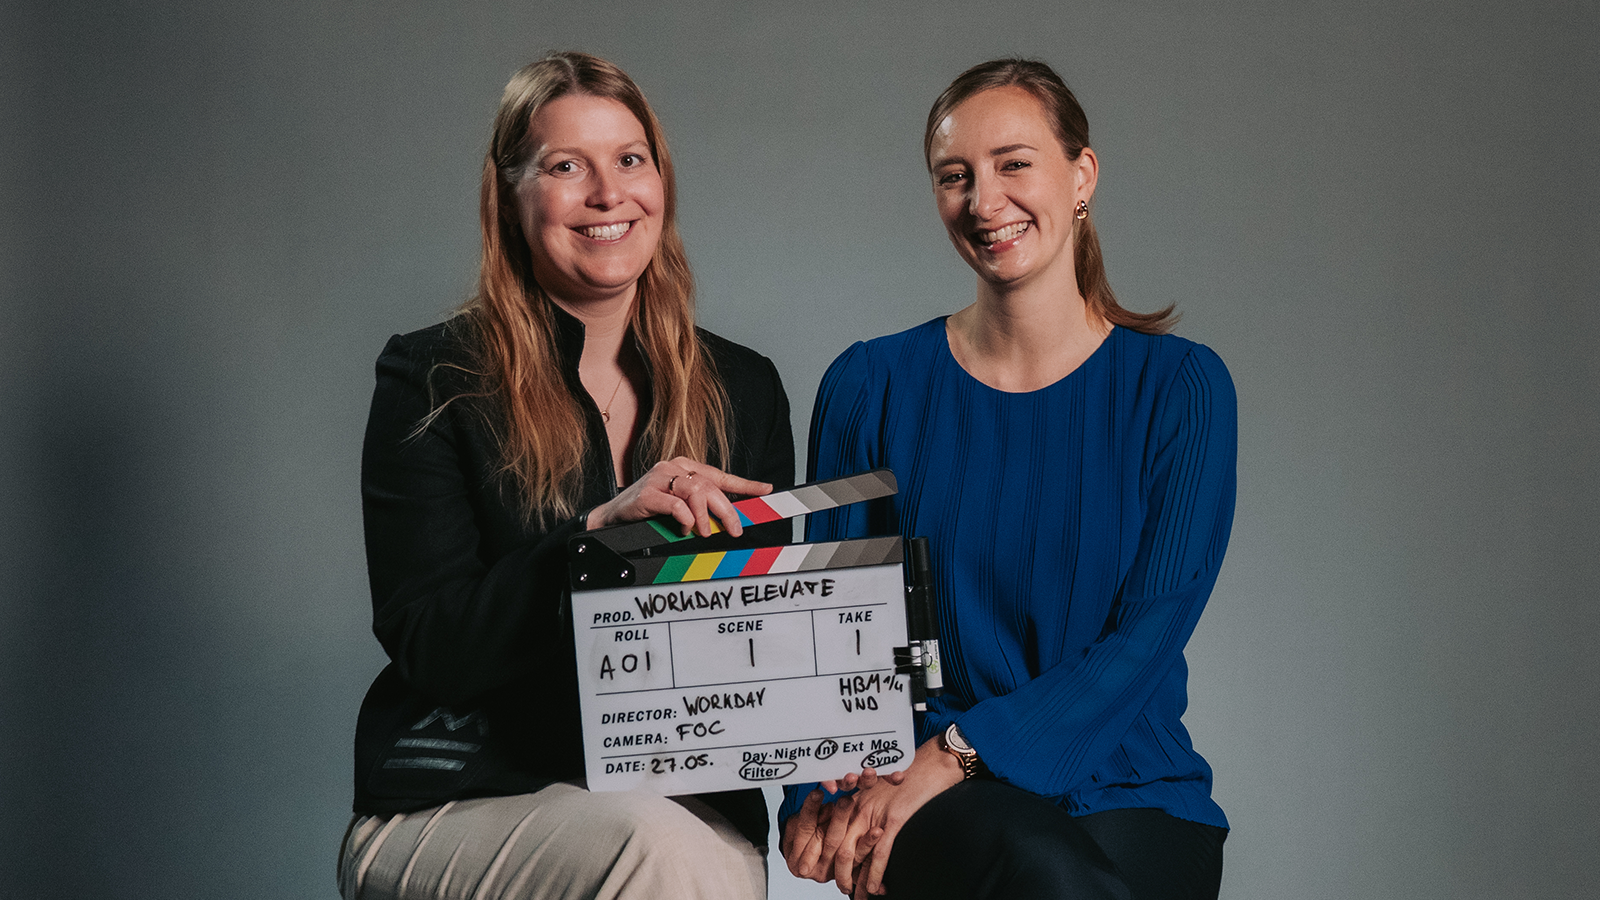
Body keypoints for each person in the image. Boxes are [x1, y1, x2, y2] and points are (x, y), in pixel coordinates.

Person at [777, 58, 1236, 900]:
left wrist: (958, 754)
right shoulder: (870, 387)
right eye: (956, 176)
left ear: (1081, 175)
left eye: (1014, 163)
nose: (985, 201)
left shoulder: (1181, 389)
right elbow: (832, 633)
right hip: (922, 791)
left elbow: (1146, 636)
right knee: (1045, 875)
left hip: (1131, 788)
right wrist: (821, 794)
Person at [338, 52, 793, 900]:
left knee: (704, 859)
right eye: (565, 166)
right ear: (511, 197)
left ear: (661, 182)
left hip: (676, 806)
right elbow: (433, 645)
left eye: (630, 159)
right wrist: (593, 542)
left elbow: (754, 659)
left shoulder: (745, 388)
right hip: (458, 799)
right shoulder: (432, 376)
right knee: (663, 854)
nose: (607, 193)